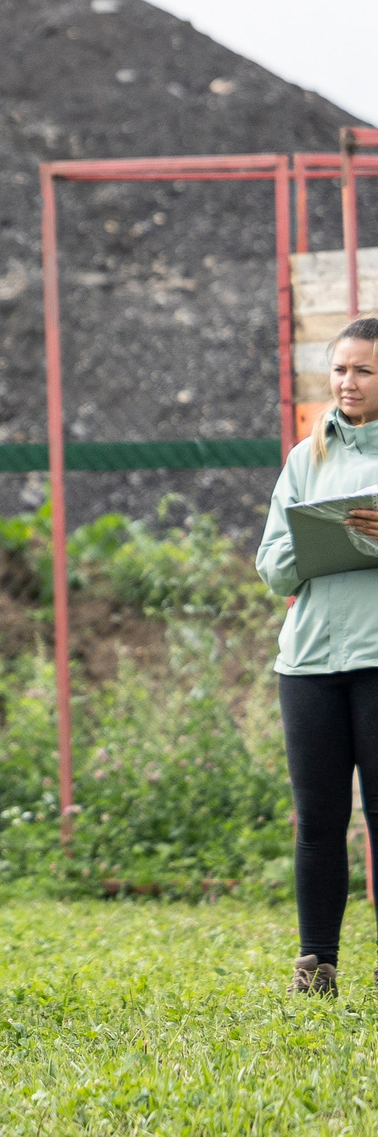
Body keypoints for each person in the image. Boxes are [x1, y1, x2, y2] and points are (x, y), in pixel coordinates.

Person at [258, 317, 378, 995]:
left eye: (362, 370)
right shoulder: (308, 459)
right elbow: (272, 565)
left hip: (377, 658)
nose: (347, 382)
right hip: (307, 667)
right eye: (339, 370)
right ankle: (316, 965)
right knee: (318, 820)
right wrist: (322, 541)